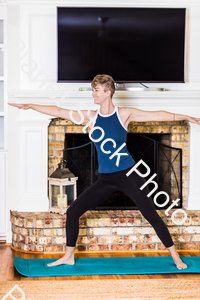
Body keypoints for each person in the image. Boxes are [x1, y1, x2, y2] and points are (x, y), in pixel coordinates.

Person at [9, 74, 200, 270]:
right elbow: (59, 110)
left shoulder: (124, 114)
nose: (93, 94)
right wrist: (32, 105)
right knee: (73, 211)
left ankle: (176, 258)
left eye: (96, 90)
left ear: (108, 92)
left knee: (151, 214)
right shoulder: (91, 117)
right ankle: (68, 256)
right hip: (106, 179)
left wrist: (186, 117)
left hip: (129, 175)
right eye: (93, 90)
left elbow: (158, 115)